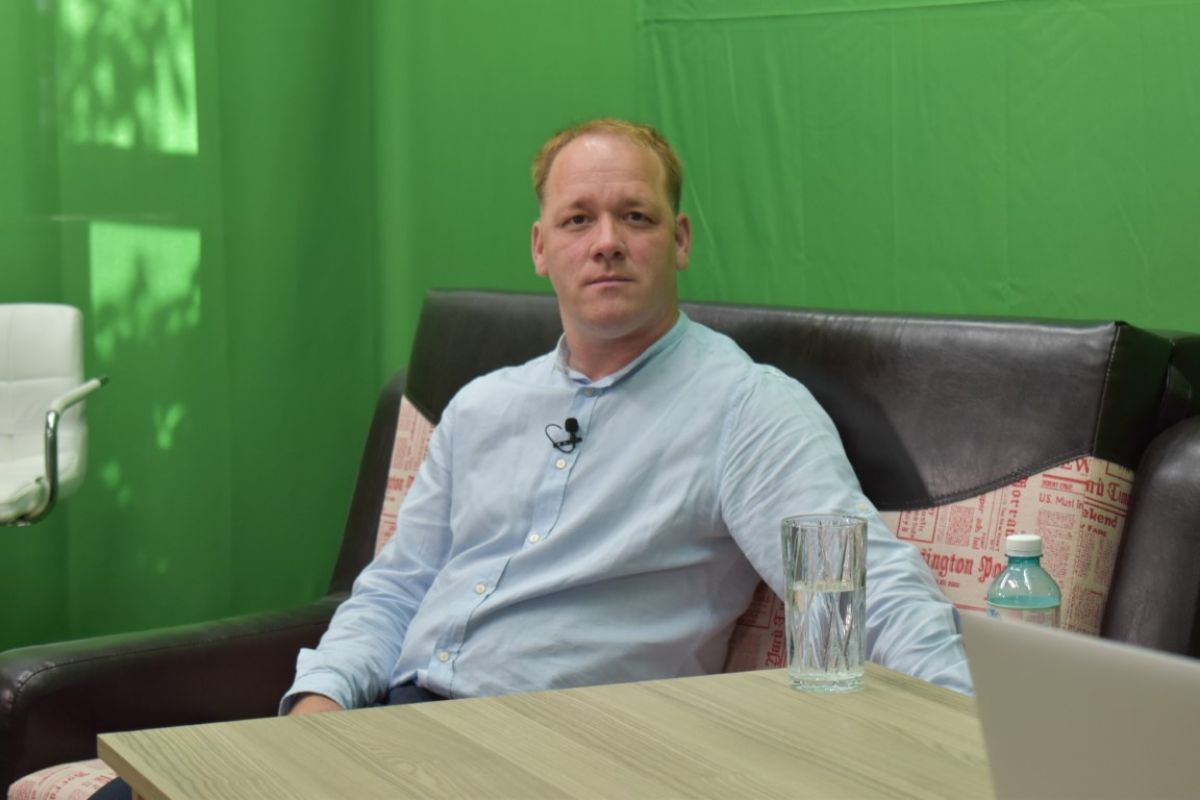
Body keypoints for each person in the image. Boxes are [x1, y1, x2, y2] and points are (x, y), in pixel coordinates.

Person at [283, 118, 972, 717]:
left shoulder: (746, 408)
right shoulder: (480, 407)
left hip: (571, 745)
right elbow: (395, 590)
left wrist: (974, 733)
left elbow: (864, 595)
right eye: (577, 219)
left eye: (636, 217)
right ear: (540, 247)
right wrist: (319, 702)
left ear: (680, 240)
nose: (606, 241)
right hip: (398, 723)